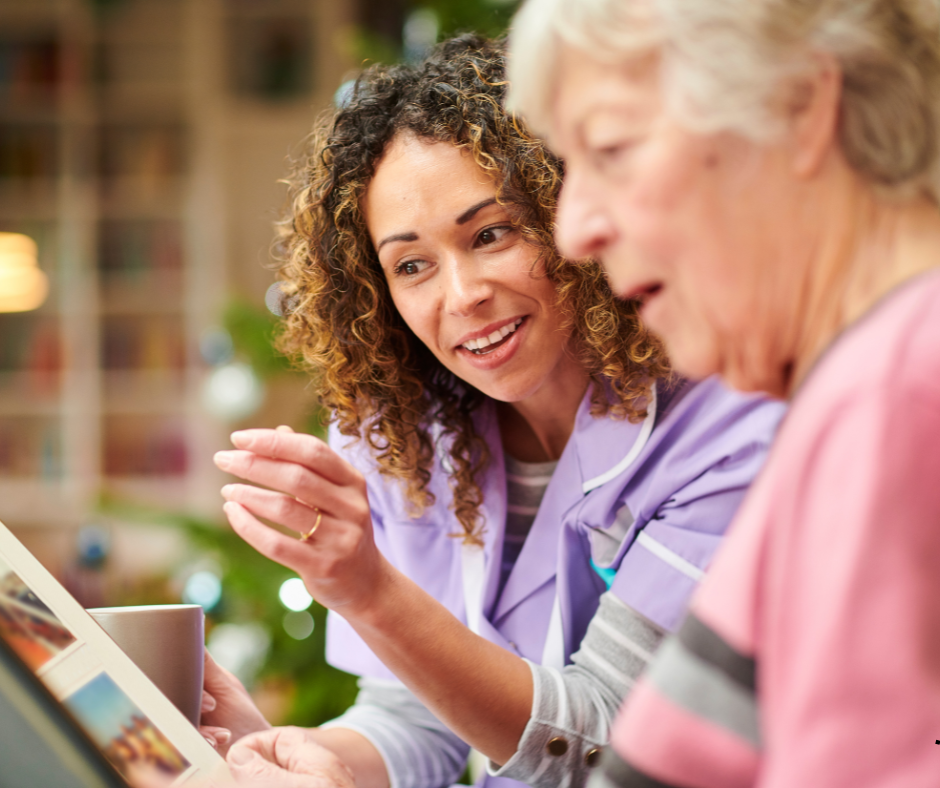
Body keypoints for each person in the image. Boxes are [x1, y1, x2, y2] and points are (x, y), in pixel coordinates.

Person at [205, 36, 783, 788]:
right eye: (411, 265)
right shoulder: (404, 437)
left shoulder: (727, 427)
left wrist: (372, 592)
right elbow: (415, 717)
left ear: (570, 212)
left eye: (491, 233)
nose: (461, 294)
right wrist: (306, 760)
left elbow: (608, 742)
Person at [507, 0, 940, 786]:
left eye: (613, 148)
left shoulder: (899, 386)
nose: (572, 230)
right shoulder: (850, 396)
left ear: (800, 108)